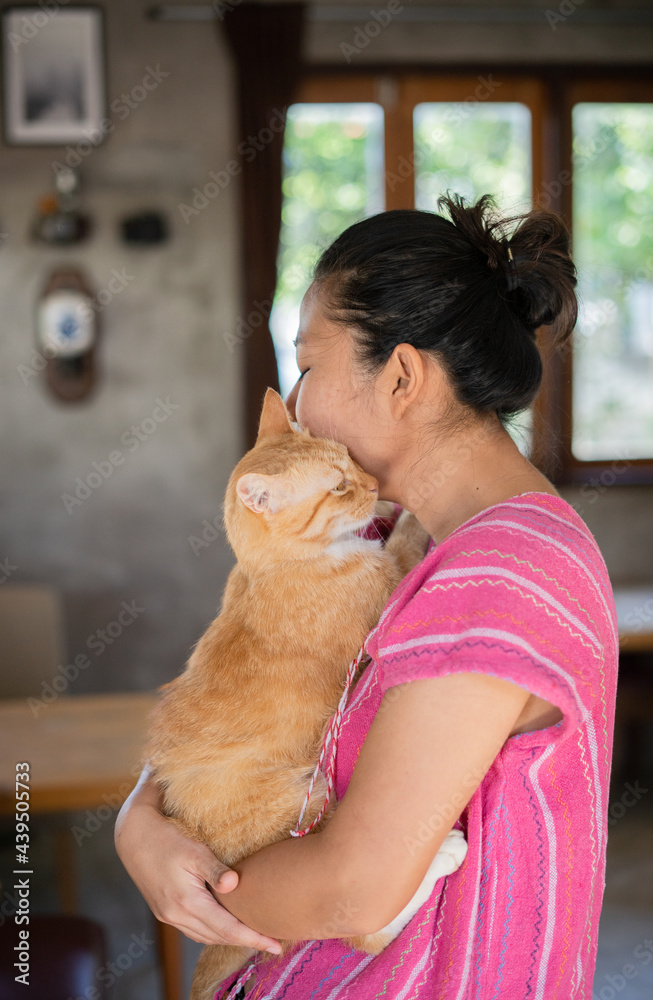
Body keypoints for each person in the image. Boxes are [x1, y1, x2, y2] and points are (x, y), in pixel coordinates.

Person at [115, 192, 619, 999]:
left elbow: (354, 888)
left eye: (308, 366)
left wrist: (186, 886)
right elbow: (255, 702)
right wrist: (141, 817)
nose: (299, 402)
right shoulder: (425, 544)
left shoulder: (500, 575)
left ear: (402, 376)